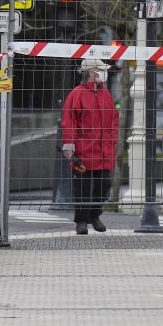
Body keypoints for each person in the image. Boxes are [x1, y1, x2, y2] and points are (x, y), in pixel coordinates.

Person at [61, 58, 119, 235]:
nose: (104, 73)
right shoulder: (77, 94)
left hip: (103, 149)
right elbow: (69, 121)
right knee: (82, 187)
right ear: (91, 72)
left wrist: (113, 140)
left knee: (104, 184)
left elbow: (114, 120)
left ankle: (94, 214)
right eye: (100, 70)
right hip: (83, 149)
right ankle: (82, 220)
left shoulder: (105, 95)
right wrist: (69, 146)